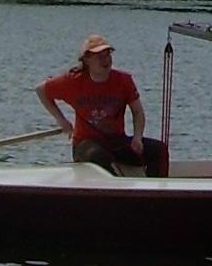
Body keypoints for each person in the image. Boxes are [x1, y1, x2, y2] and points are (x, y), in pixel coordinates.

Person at [36, 34, 168, 176]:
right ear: (87, 60)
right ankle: (114, 192)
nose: (106, 60)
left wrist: (137, 137)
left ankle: (156, 192)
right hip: (86, 143)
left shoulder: (123, 80)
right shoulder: (73, 81)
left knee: (159, 150)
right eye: (100, 56)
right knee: (98, 156)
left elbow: (137, 112)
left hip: (116, 141)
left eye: (108, 55)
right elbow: (41, 90)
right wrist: (61, 120)